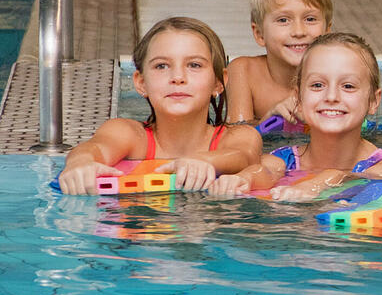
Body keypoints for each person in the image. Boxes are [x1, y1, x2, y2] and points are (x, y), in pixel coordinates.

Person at [57, 17, 265, 194]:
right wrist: (80, 164)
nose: (177, 77)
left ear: (218, 82)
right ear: (141, 83)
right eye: (161, 66)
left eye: (194, 65)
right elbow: (94, 148)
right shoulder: (131, 135)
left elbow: (243, 156)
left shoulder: (237, 136)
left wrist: (201, 160)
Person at [216, 32, 382, 198]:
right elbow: (264, 170)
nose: (331, 97)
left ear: (373, 101)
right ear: (298, 98)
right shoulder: (285, 160)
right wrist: (243, 178)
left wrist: (322, 181)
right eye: (317, 85)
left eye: (348, 86)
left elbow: (357, 178)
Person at [226, 0, 333, 126]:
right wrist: (269, 120)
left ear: (327, 31)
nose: (299, 31)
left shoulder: (339, 74)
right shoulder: (245, 71)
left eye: (310, 19)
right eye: (283, 20)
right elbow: (235, 137)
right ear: (260, 34)